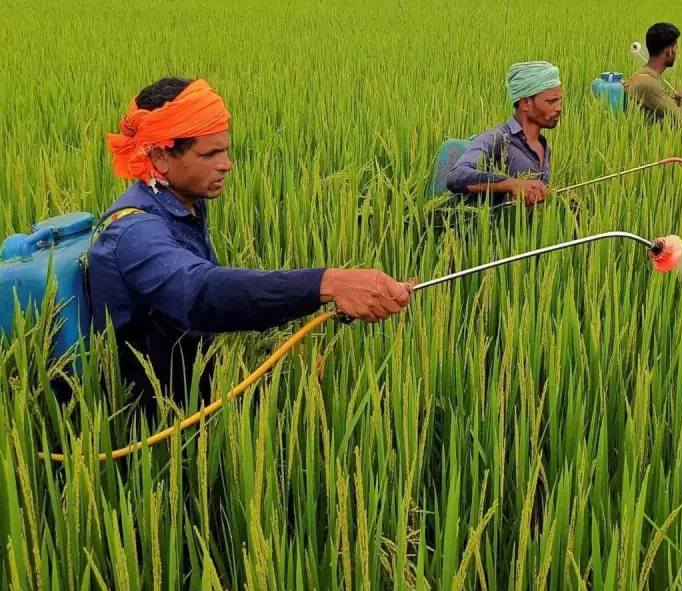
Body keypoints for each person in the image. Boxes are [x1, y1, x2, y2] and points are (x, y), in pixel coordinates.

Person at [88, 77, 413, 416]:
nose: (226, 163)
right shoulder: (133, 232)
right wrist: (329, 283)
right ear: (161, 156)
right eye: (209, 153)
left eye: (225, 149)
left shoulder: (186, 202)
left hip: (196, 383)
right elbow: (201, 293)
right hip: (153, 423)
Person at [445, 61, 563, 206]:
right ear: (525, 103)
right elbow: (456, 175)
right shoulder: (496, 138)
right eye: (551, 102)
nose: (559, 108)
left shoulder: (544, 147)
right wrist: (513, 185)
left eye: (559, 100)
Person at [625, 23, 682, 122]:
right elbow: (681, 119)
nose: (677, 54)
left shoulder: (643, 74)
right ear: (669, 51)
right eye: (676, 48)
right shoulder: (649, 84)